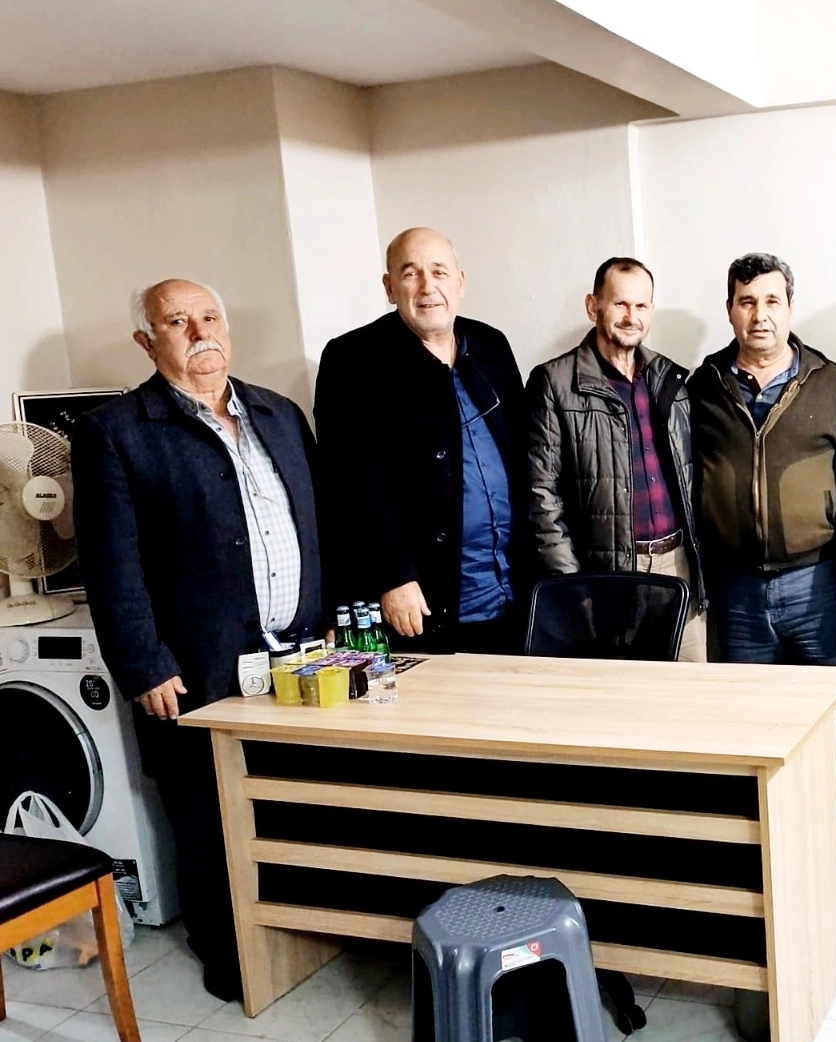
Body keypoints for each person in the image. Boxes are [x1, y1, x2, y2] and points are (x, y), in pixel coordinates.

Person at [73, 279, 324, 1001]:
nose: (199, 332)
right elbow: (111, 563)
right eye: (177, 321)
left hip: (299, 654)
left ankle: (300, 932)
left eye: (209, 317)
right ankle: (228, 954)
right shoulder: (115, 431)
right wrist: (144, 664)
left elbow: (317, 523)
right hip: (193, 665)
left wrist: (337, 622)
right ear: (146, 341)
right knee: (207, 814)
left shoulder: (279, 413)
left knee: (296, 800)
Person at [689, 252, 836, 876]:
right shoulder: (703, 386)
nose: (759, 314)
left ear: (790, 307)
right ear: (730, 310)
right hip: (736, 585)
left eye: (771, 301)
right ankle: (763, 825)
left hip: (816, 579)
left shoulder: (830, 382)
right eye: (747, 301)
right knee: (749, 717)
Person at [314, 228, 528, 653]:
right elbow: (349, 485)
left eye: (440, 272)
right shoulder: (353, 360)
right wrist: (393, 575)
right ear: (389, 287)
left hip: (511, 588)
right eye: (411, 274)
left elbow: (521, 454)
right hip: (424, 598)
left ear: (461, 283)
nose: (428, 286)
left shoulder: (491, 345)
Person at [527, 257, 706, 661]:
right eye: (620, 304)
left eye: (641, 306)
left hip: (678, 565)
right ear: (593, 306)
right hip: (608, 575)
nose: (631, 316)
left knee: (692, 690)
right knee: (626, 692)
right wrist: (571, 585)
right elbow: (541, 495)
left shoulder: (669, 377)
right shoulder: (554, 383)